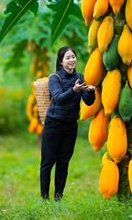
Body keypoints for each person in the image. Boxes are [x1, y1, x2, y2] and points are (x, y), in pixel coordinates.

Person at [40, 46, 96, 201]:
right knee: (48, 162)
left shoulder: (80, 77)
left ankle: (58, 197)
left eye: (73, 57)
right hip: (54, 125)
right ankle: (44, 199)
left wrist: (90, 91)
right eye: (68, 58)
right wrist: (74, 90)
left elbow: (88, 102)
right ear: (61, 61)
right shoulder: (54, 78)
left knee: (63, 162)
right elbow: (58, 97)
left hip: (70, 126)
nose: (72, 60)